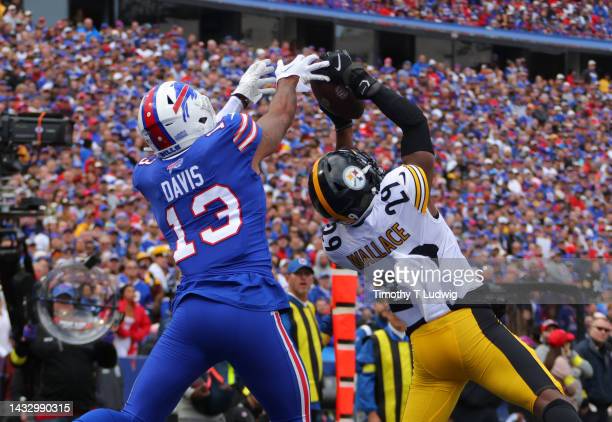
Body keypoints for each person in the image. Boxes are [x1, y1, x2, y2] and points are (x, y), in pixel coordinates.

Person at [307, 50, 581, 422]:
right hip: (469, 324)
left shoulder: (337, 244)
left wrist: (342, 124)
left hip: (426, 348)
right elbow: (415, 125)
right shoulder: (402, 190)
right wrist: (365, 84)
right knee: (550, 400)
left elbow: (345, 193)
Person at [76, 54, 330, 422]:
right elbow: (279, 120)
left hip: (194, 314)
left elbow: (195, 150)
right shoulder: (227, 140)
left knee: (134, 417)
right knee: (297, 417)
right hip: (248, 306)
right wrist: (288, 80)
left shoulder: (147, 176)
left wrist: (240, 98)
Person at [283, 258, 332, 421]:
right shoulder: (284, 308)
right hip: (296, 396)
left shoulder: (309, 307)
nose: (303, 278)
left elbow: (314, 345)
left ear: (313, 278)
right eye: (298, 274)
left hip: (315, 393)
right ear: (288, 277)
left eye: (307, 274)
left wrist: (330, 322)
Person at [355, 308, 410, 422]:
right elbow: (365, 380)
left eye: (403, 310)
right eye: (394, 310)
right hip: (381, 415)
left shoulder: (415, 339)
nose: (398, 315)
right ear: (387, 313)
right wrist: (371, 413)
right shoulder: (375, 341)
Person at [575, 314, 612, 422]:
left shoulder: (607, 350)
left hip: (604, 408)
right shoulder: (581, 350)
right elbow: (576, 378)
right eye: (599, 328)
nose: (603, 332)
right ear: (590, 328)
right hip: (588, 409)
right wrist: (583, 402)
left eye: (607, 330)